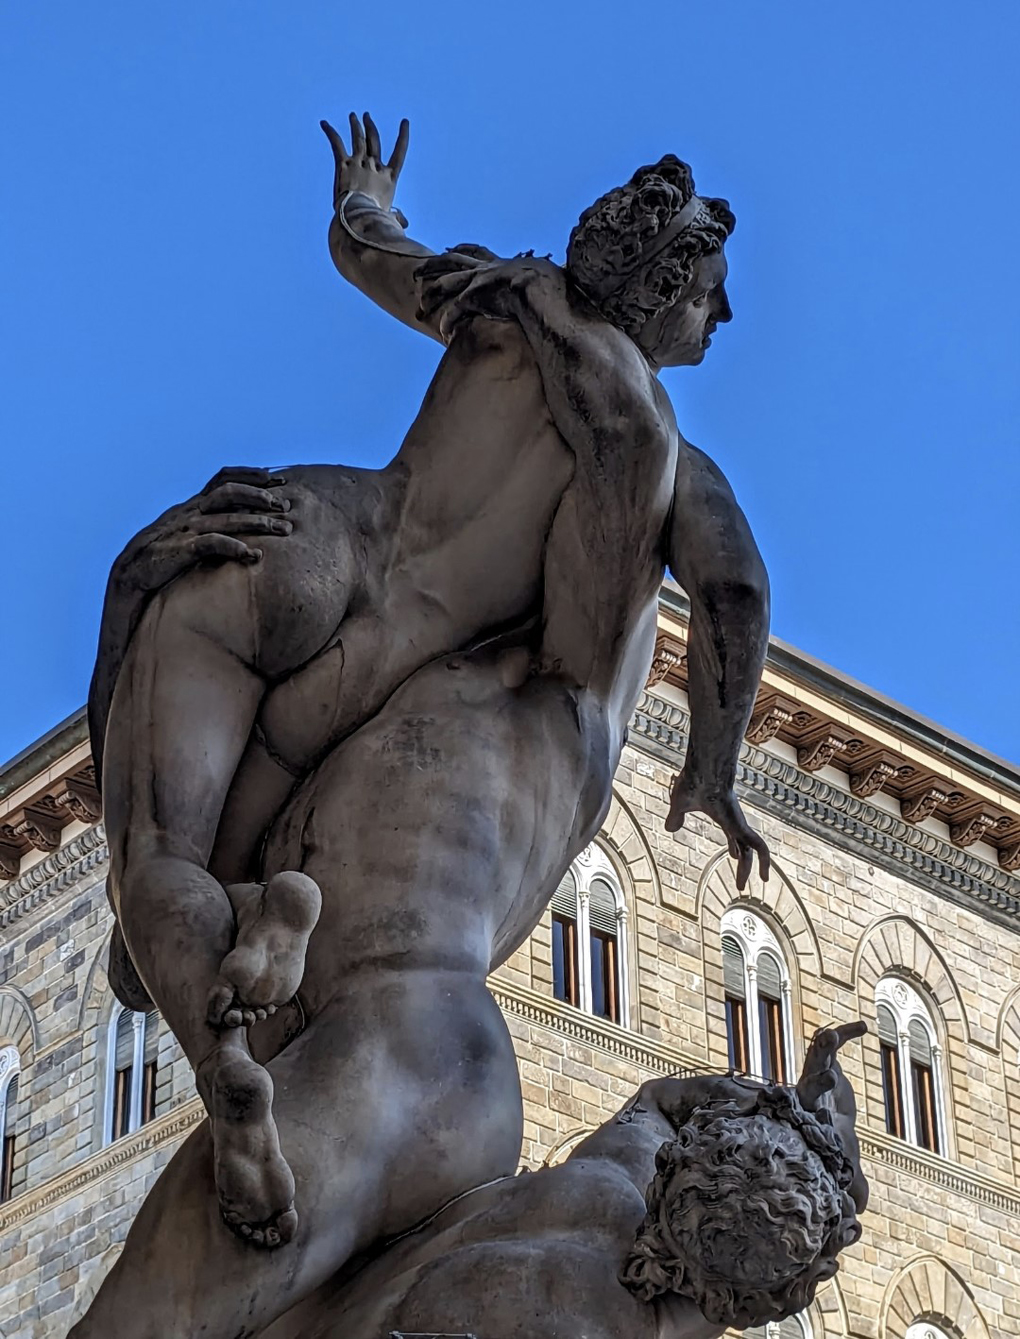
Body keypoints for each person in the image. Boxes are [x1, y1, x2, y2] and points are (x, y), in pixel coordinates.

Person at [74, 113, 771, 1337]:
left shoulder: (505, 297)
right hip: (402, 661)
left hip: (313, 541)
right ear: (662, 293)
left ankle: (215, 997)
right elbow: (734, 595)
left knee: (156, 859)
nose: (723, 319)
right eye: (713, 295)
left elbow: (371, 251)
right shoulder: (667, 454)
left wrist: (366, 196)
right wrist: (713, 769)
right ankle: (240, 999)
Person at [257, 1025, 868, 1339]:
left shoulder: (608, 1177)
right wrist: (833, 1131)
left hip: (299, 1305)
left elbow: (661, 1099)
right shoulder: (647, 1323)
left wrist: (771, 1102)